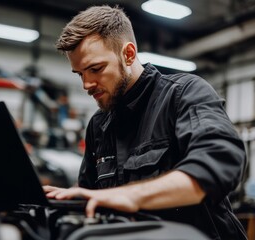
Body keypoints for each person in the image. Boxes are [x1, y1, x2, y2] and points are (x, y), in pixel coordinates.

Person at [43, 5, 248, 240]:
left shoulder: (183, 94)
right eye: (80, 74)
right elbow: (93, 196)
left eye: (95, 69)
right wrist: (70, 199)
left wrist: (131, 196)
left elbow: (220, 162)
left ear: (128, 54)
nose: (86, 85)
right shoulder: (98, 125)